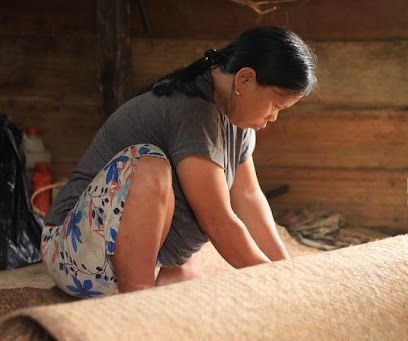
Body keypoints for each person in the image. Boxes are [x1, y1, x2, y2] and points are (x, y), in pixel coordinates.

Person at [41, 26, 317, 298]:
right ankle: (138, 300)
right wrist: (276, 282)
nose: (273, 118)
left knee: (197, 197)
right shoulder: (192, 110)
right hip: (73, 253)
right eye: (275, 106)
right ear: (244, 79)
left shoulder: (237, 119)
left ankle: (173, 269)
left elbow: (247, 195)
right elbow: (219, 221)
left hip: (128, 254)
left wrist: (286, 270)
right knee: (151, 166)